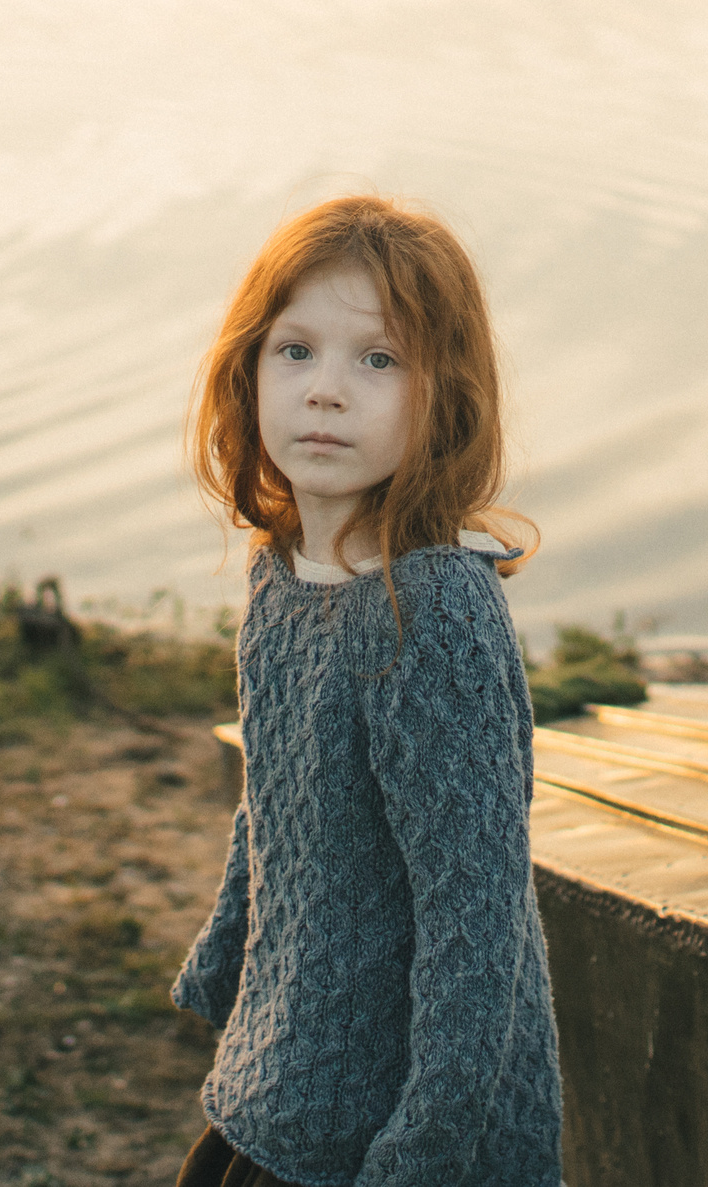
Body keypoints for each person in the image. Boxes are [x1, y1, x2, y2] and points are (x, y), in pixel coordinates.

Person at [171, 195, 560, 1187]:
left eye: (377, 361)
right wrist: (224, 955)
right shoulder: (280, 573)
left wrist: (419, 1154)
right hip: (282, 1073)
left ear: (446, 398)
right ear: (246, 370)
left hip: (406, 1132)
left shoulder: (429, 617)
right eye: (294, 351)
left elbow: (479, 934)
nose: (325, 392)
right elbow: (277, 798)